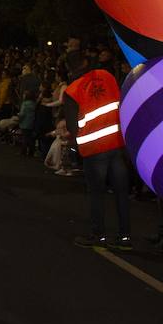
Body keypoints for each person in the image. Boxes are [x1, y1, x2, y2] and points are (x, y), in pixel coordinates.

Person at [63, 51, 132, 250]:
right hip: (117, 143)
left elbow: (72, 126)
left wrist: (76, 148)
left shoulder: (72, 90)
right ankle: (125, 238)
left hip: (94, 149)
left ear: (71, 68)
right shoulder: (108, 76)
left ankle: (98, 235)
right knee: (121, 192)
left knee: (96, 193)